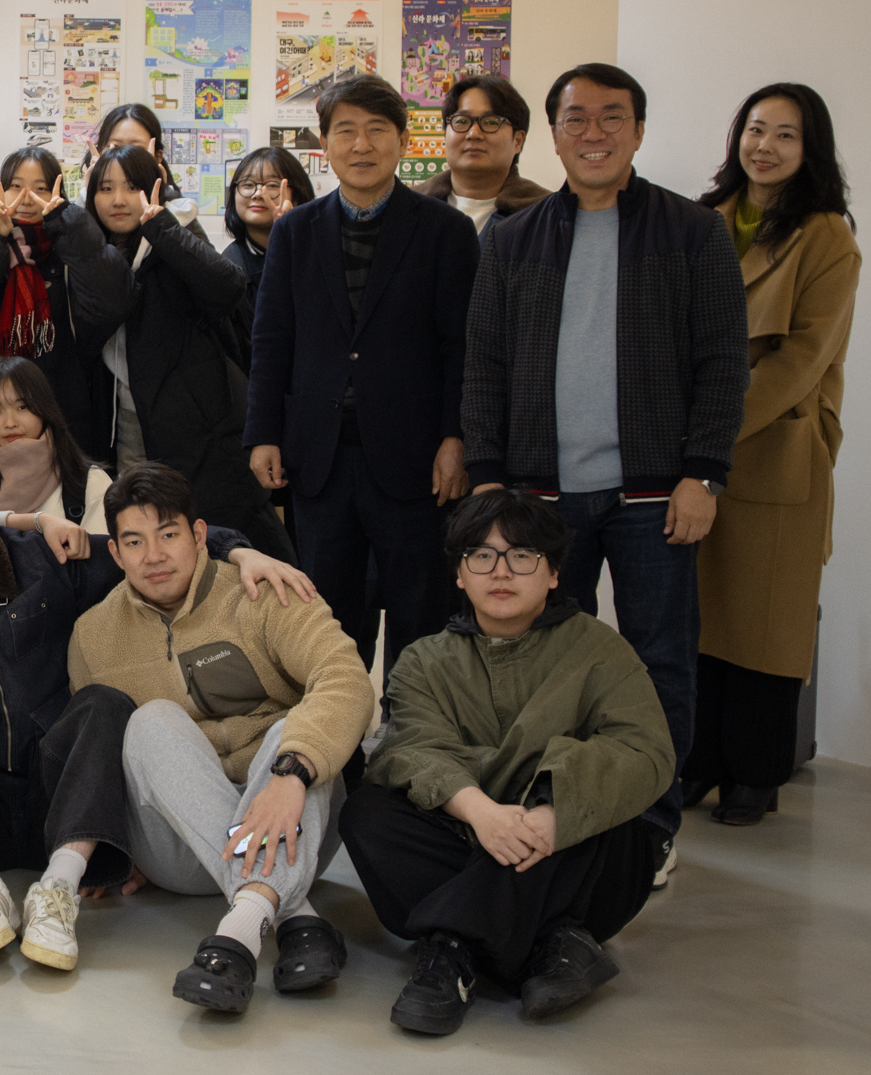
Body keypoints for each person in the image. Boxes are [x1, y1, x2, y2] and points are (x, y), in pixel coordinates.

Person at [0, 441, 312, 972]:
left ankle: (58, 891)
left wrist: (238, 551)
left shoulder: (43, 561)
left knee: (104, 702)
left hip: (58, 798)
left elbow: (143, 546)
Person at [462, 61, 748, 866]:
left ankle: (650, 831)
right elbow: (483, 363)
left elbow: (724, 362)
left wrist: (704, 472)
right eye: (576, 118)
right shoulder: (512, 239)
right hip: (538, 496)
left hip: (655, 496)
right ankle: (553, 814)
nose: (594, 133)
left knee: (659, 664)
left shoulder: (693, 232)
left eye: (611, 116)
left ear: (639, 130)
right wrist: (488, 476)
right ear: (551, 135)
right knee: (542, 666)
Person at [342, 490, 674, 1035]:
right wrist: (483, 814)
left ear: (553, 573)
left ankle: (451, 950)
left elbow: (644, 750)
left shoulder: (600, 649)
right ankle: (555, 947)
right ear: (459, 574)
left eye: (521, 555)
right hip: (480, 839)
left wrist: (552, 814)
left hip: (570, 851)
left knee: (612, 820)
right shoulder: (424, 660)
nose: (501, 571)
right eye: (482, 555)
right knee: (367, 814)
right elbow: (410, 750)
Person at [69, 463, 374, 1014]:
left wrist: (291, 775)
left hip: (293, 821)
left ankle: (239, 932)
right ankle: (293, 914)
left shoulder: (264, 591)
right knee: (150, 720)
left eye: (168, 534)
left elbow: (346, 678)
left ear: (199, 534)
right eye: (134, 542)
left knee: (290, 731)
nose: (153, 555)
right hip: (178, 850)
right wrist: (110, 846)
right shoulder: (93, 634)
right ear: (114, 553)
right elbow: (93, 749)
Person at [245, 74, 479, 684]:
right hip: (319, 459)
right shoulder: (295, 231)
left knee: (421, 615)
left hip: (415, 459)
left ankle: (414, 736)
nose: (361, 144)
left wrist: (456, 437)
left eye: (377, 129)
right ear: (324, 143)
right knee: (328, 617)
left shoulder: (445, 231)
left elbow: (461, 347)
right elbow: (272, 340)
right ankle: (336, 738)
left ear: (403, 140)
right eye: (345, 130)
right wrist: (263, 434)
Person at [687, 84, 859, 826]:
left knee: (766, 623)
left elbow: (802, 360)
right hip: (694, 453)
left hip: (775, 447)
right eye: (756, 129)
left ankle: (756, 774)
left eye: (786, 135)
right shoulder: (704, 220)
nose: (766, 146)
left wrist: (710, 428)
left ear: (809, 149)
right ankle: (698, 761)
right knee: (700, 615)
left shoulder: (827, 236)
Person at [86, 143, 287, 559]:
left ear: (156, 187)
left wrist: (161, 227)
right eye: (105, 188)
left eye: (132, 186)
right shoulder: (91, 252)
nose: (119, 199)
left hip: (200, 431)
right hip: (125, 424)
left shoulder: (175, 231)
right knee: (151, 544)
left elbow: (227, 288)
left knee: (226, 544)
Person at [0, 146, 134, 455]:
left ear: (58, 194)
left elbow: (111, 306)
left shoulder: (71, 257)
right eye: (16, 186)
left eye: (41, 188)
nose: (27, 198)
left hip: (62, 416)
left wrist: (68, 223)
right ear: (0, 191)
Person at [0, 356, 111, 532]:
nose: (10, 423)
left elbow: (98, 549)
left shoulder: (90, 484)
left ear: (44, 409)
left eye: (23, 407)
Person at [414, 75, 549, 239]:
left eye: (491, 122)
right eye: (461, 121)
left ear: (518, 141)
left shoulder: (546, 212)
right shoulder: (409, 205)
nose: (473, 134)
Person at [85, 104, 210, 242]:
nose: (124, 158)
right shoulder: (84, 205)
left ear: (158, 156)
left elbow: (203, 255)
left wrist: (163, 202)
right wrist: (88, 196)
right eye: (115, 147)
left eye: (136, 149)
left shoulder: (179, 212)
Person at [221, 146, 317, 290]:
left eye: (272, 185)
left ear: (297, 195)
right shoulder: (229, 265)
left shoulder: (318, 252)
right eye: (248, 184)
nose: (258, 194)